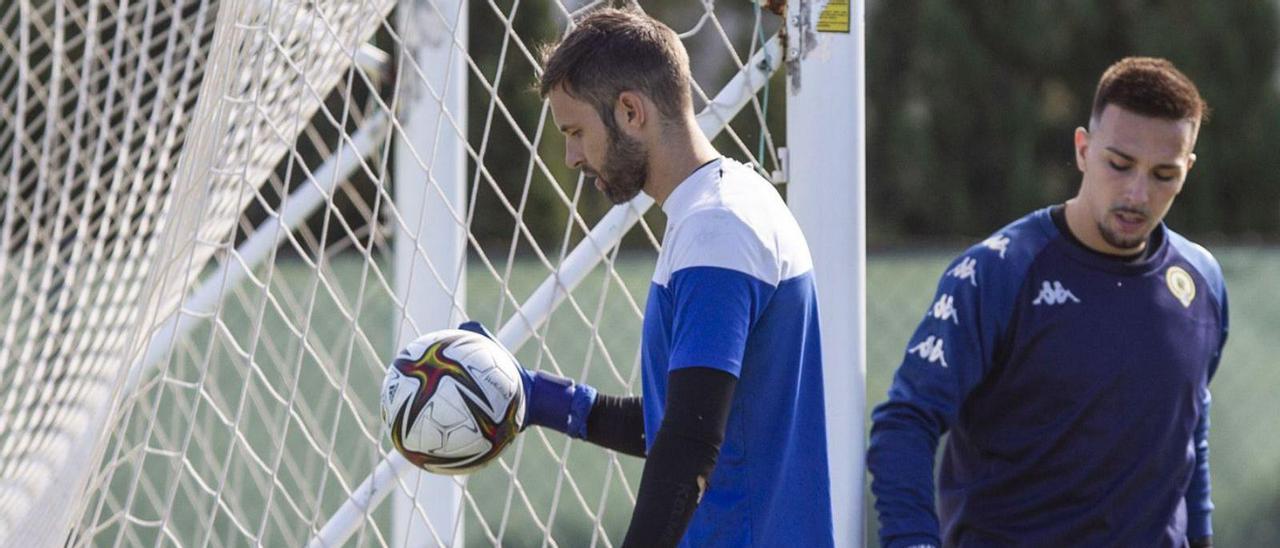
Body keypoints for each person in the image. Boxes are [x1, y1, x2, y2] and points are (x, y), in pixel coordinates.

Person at [461, 7, 833, 547]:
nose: (569, 156)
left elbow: (690, 443)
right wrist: (541, 398)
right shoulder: (717, 211)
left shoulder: (717, 228)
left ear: (631, 111)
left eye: (576, 131)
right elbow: (683, 419)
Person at [867, 57, 1228, 547]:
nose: (1137, 193)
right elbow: (906, 421)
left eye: (1164, 174)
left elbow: (1189, 425)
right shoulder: (999, 272)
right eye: (1118, 165)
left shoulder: (1201, 279)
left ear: (1188, 169)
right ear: (1083, 149)